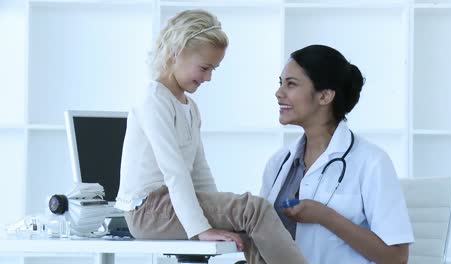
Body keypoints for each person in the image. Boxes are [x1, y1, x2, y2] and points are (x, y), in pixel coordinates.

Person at [114, 9, 307, 264]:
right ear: (175, 52)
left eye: (213, 69)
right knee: (254, 209)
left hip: (169, 206)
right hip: (148, 211)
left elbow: (199, 170)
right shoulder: (154, 100)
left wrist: (219, 215)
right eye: (204, 68)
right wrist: (201, 228)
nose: (208, 77)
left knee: (248, 226)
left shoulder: (189, 107)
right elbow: (174, 171)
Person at [260, 44, 414, 264]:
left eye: (291, 84)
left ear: (324, 96)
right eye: (280, 83)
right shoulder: (278, 163)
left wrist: (324, 216)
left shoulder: (371, 162)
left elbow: (396, 257)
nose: (279, 93)